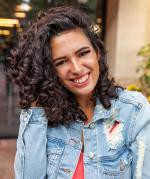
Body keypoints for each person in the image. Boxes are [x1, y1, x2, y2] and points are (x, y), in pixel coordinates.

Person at [5, 5, 150, 179]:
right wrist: (36, 101)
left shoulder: (133, 111)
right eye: (61, 62)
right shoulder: (43, 114)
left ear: (97, 52)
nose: (76, 68)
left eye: (83, 53)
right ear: (49, 69)